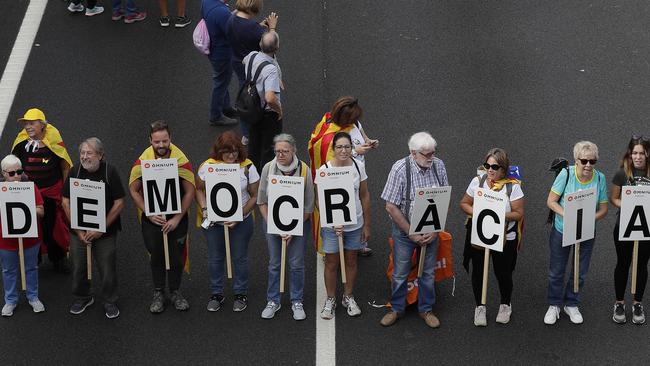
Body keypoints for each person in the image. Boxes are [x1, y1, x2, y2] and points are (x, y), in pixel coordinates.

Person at [379, 132, 448, 328]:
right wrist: (411, 232)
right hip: (405, 231)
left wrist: (435, 230)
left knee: (428, 273)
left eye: (433, 153)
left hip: (430, 228)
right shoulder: (400, 169)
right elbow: (391, 206)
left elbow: (444, 197)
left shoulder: (439, 165)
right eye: (426, 154)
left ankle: (426, 310)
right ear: (413, 153)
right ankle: (396, 308)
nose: (431, 158)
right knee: (400, 272)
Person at [128, 121, 195, 313]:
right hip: (152, 218)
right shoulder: (143, 161)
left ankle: (175, 291)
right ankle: (158, 292)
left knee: (175, 254)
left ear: (170, 139)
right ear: (150, 140)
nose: (161, 146)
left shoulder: (180, 159)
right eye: (157, 142)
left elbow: (189, 191)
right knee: (156, 254)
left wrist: (177, 219)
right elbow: (134, 190)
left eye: (165, 141)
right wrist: (148, 213)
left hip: (177, 217)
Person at [545, 141, 608, 325]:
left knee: (580, 271)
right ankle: (554, 304)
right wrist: (569, 215)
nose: (588, 165)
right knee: (556, 270)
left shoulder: (599, 179)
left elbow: (603, 209)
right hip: (562, 230)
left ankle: (571, 303)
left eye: (592, 161)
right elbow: (551, 201)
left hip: (586, 231)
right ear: (576, 160)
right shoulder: (566, 174)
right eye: (584, 160)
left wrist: (589, 219)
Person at [459, 148, 524, 327]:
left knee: (503, 273)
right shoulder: (477, 182)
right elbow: (464, 203)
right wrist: (479, 212)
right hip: (480, 235)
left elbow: (518, 214)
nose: (490, 170)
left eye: (495, 166)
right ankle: (480, 306)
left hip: (505, 237)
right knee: (478, 271)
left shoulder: (513, 187)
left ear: (503, 168)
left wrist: (498, 215)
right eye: (487, 165)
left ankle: (505, 304)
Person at [195, 130, 259, 312]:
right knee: (215, 258)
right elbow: (198, 189)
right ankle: (216, 293)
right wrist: (205, 209)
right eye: (226, 151)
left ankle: (240, 293)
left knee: (240, 257)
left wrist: (239, 215)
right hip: (214, 223)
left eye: (234, 151)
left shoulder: (248, 166)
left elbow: (255, 196)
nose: (231, 155)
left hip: (242, 221)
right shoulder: (208, 166)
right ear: (219, 151)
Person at [62, 138, 126, 319]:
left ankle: (110, 300)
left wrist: (101, 228)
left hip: (105, 233)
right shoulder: (75, 171)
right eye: (82, 153)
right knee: (78, 265)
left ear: (100, 155)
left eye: (89, 153)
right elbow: (65, 201)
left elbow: (119, 202)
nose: (84, 157)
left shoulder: (110, 172)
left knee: (107, 267)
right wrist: (78, 230)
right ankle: (82, 296)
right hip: (79, 232)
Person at [257, 133, 313, 320]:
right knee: (274, 263)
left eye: (285, 151)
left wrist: (291, 229)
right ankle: (273, 300)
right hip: (273, 226)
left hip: (299, 226)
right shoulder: (268, 168)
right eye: (278, 151)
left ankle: (297, 300)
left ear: (294, 150)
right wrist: (272, 223)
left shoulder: (305, 170)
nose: (280, 154)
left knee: (296, 264)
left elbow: (308, 206)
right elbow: (262, 201)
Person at [315, 132, 370, 320]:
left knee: (351, 260)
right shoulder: (323, 170)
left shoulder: (358, 166)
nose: (344, 150)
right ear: (333, 149)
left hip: (355, 224)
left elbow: (364, 195)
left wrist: (367, 225)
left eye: (347, 146)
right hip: (332, 227)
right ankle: (331, 298)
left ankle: (348, 296)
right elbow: (318, 199)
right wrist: (331, 221)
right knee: (331, 262)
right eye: (340, 147)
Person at [11, 108, 72, 273]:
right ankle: (33, 261)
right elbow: (13, 167)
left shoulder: (53, 140)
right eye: (26, 124)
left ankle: (58, 259)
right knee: (30, 228)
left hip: (51, 192)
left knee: (53, 226)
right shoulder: (21, 143)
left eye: (32, 123)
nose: (28, 127)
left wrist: (65, 191)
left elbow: (65, 166)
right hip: (28, 194)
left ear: (42, 125)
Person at [307, 96, 365, 255]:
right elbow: (334, 165)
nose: (355, 121)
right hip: (339, 184)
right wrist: (355, 152)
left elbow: (358, 129)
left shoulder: (349, 124)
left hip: (356, 173)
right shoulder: (329, 139)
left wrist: (367, 142)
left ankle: (354, 243)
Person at [611, 135, 650, 325]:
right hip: (624, 225)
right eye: (635, 153)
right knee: (623, 263)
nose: (638, 157)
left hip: (646, 228)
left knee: (641, 265)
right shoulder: (622, 173)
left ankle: (637, 303)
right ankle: (619, 303)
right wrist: (627, 205)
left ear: (647, 154)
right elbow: (614, 199)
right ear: (630, 153)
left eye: (642, 153)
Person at [227, 0, 279, 144]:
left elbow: (248, 30)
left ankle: (246, 134)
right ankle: (259, 130)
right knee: (259, 97)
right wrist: (272, 28)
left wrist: (259, 26)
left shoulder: (231, 18)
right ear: (253, 10)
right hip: (256, 67)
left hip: (238, 63)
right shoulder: (254, 30)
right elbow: (270, 44)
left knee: (245, 95)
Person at [0, 155, 45, 316]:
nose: (17, 176)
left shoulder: (30, 188)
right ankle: (10, 300)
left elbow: (41, 210)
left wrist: (28, 210)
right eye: (11, 174)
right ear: (4, 174)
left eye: (19, 172)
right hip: (6, 241)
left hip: (31, 239)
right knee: (8, 270)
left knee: (31, 268)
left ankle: (33, 297)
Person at [243, 31, 283, 168]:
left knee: (254, 144)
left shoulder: (251, 56)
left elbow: (244, 64)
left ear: (260, 44)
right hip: (267, 113)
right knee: (269, 149)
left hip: (252, 107)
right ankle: (266, 178)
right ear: (277, 49)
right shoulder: (271, 69)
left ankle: (252, 175)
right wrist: (279, 110)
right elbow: (270, 98)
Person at [202, 0, 238, 126]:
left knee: (223, 80)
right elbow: (233, 33)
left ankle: (225, 106)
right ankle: (216, 116)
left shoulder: (207, 1)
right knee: (221, 82)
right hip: (222, 53)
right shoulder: (222, 12)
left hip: (212, 48)